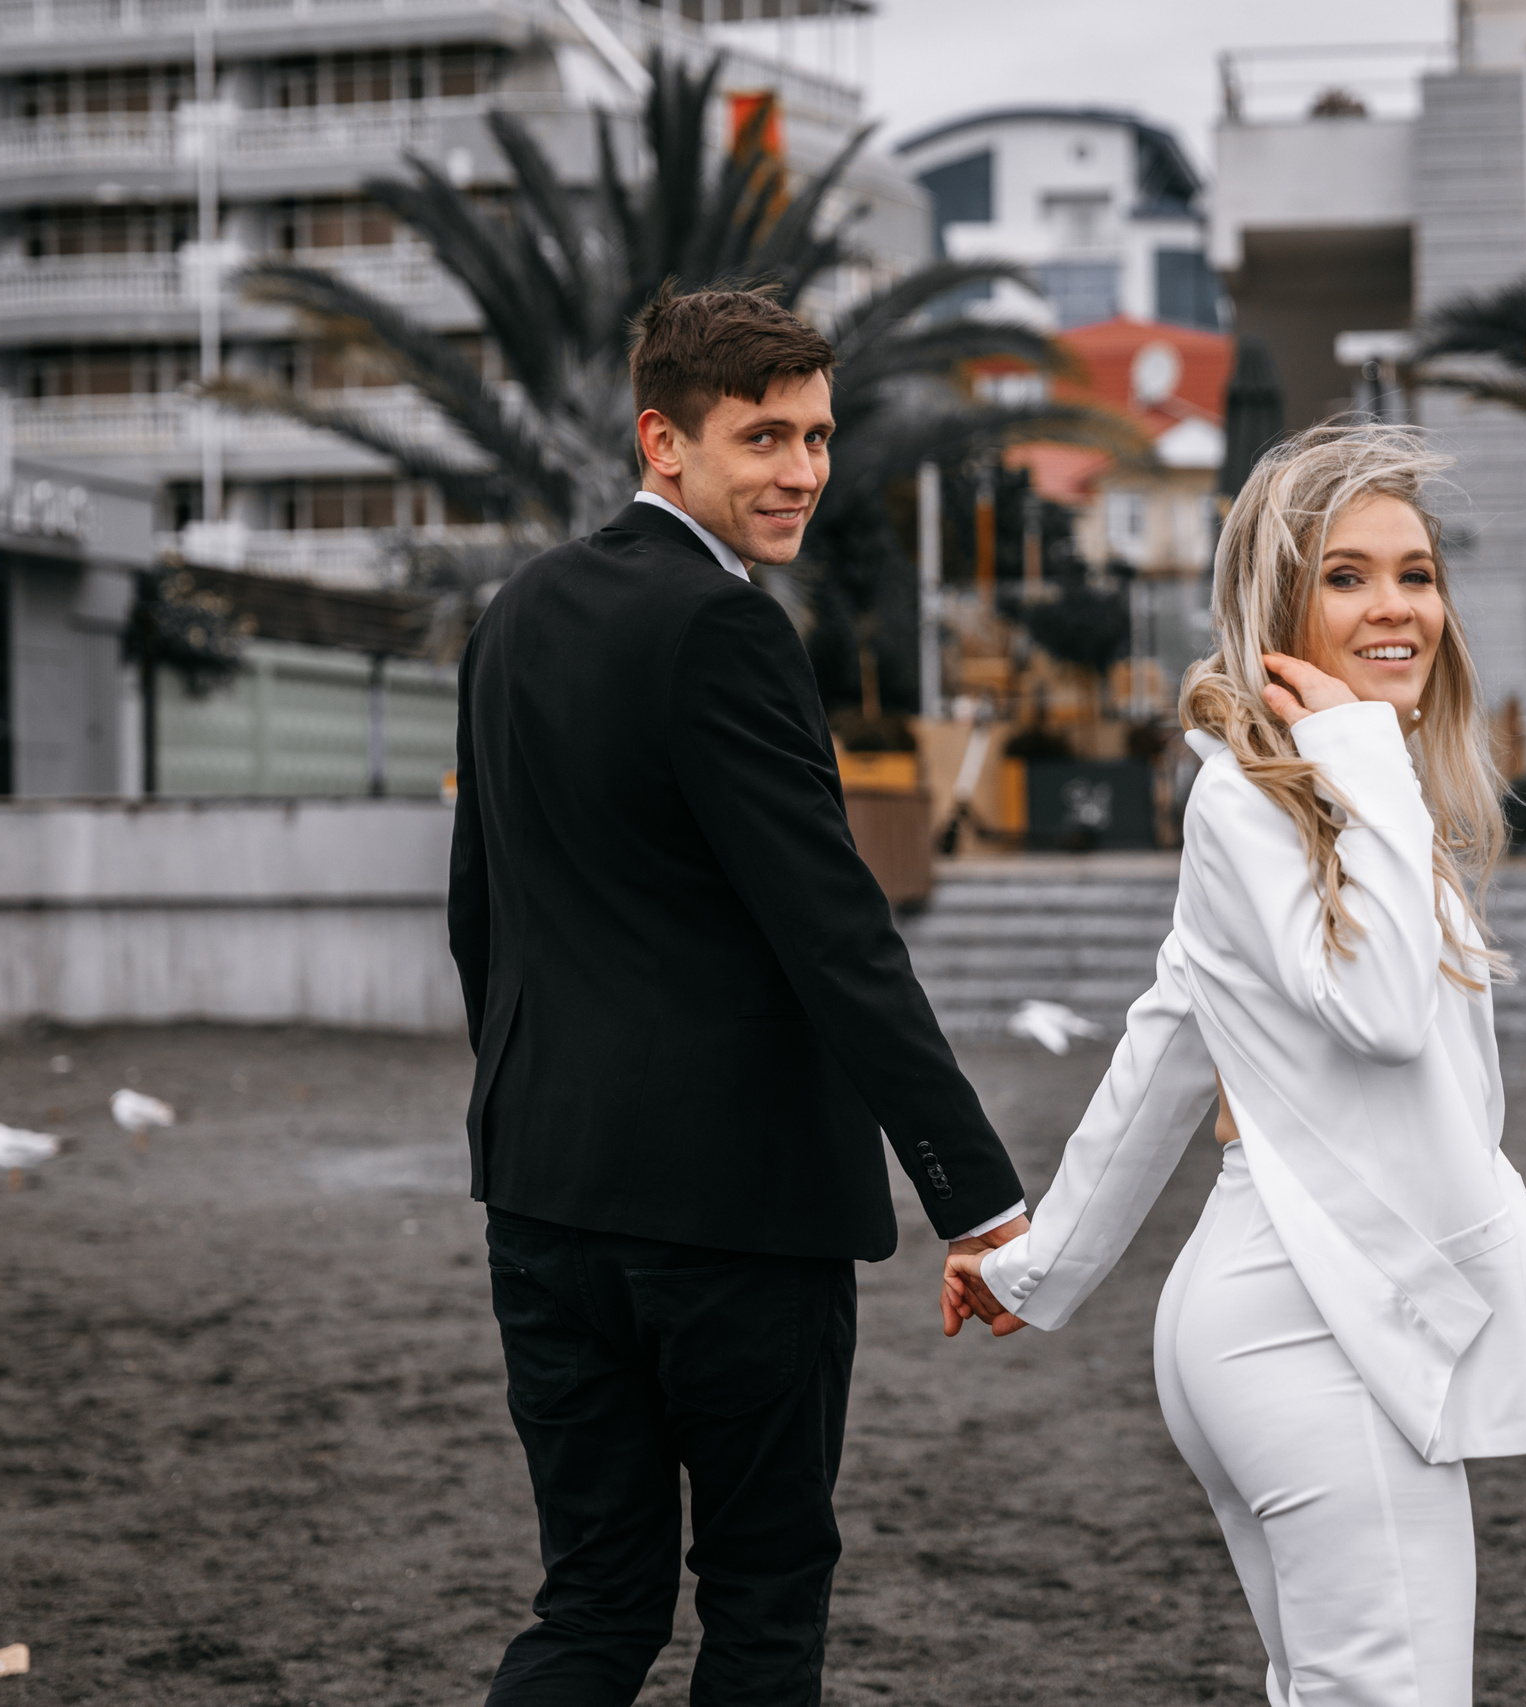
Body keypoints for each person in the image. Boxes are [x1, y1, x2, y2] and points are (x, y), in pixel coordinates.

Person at [944, 423, 1526, 1706]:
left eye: (1415, 572)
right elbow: (1385, 1017)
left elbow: (1167, 1045)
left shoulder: (1306, 792)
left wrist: (1039, 1268)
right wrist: (1366, 762)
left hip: (1284, 1311)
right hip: (1311, 1326)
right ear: (1277, 599)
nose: (1396, 606)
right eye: (1347, 575)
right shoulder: (1267, 793)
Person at [447, 286, 1029, 1707]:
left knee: (594, 1601)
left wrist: (539, 1112)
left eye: (819, 436)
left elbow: (478, 915)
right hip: (730, 1227)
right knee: (764, 1603)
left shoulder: (513, 611)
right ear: (665, 442)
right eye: (763, 436)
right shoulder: (724, 625)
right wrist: (978, 1195)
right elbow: (839, 935)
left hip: (541, 1200)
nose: (803, 471)